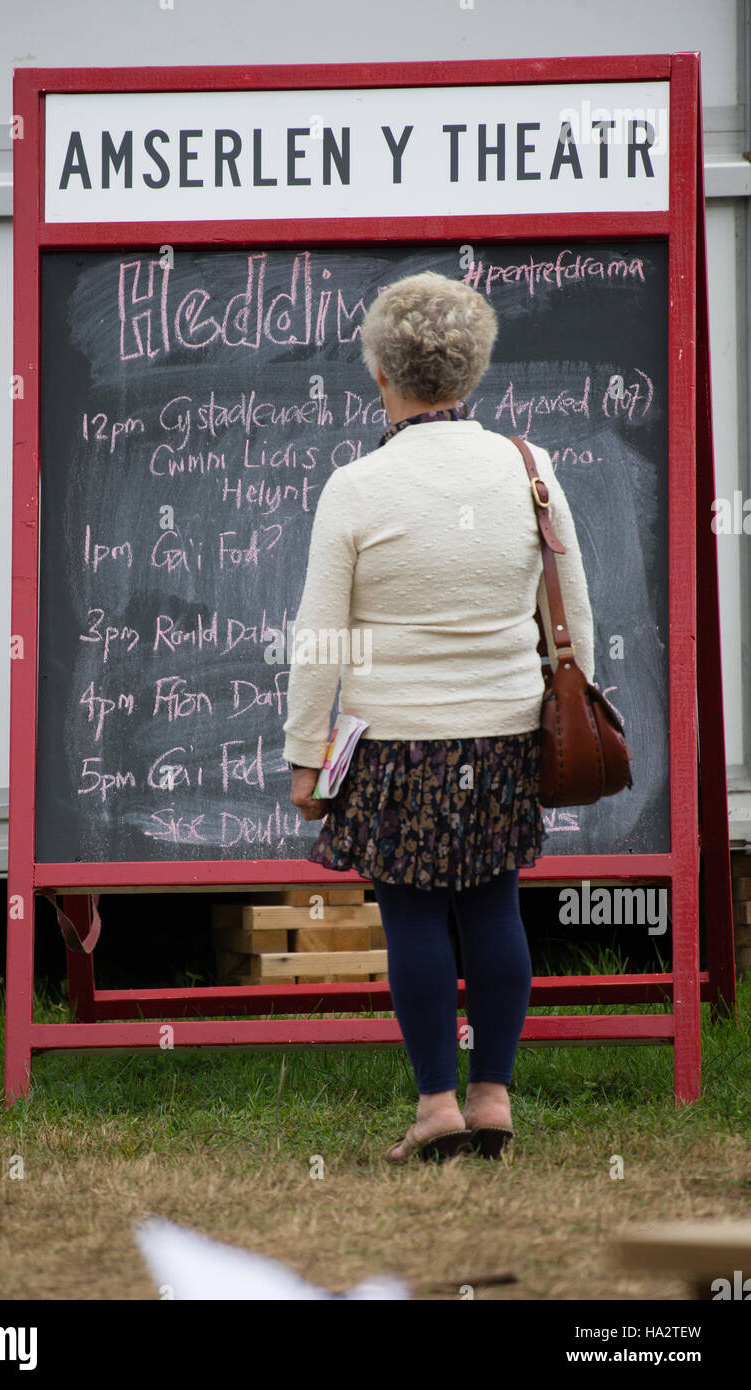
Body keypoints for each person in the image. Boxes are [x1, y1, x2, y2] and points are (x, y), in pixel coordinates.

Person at [282, 270, 594, 1162]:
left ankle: (434, 1111)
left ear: (380, 374)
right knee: (494, 907)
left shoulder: (355, 486)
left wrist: (306, 754)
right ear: (475, 372)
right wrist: (559, 728)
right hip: (503, 733)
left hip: (391, 743)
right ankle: (491, 1099)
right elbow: (570, 612)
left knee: (413, 917)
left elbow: (321, 638)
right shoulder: (531, 470)